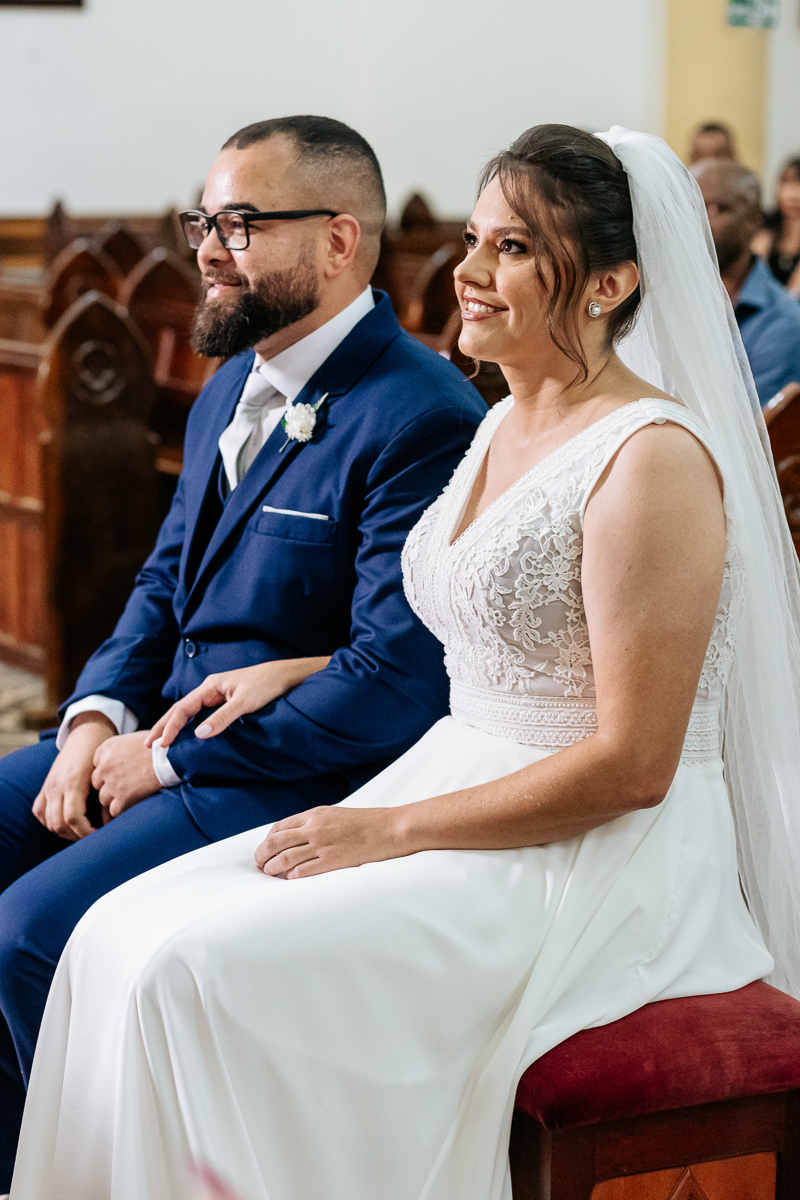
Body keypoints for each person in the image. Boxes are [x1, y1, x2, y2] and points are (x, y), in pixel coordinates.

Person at [11, 124, 800, 1200]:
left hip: (591, 853)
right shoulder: (501, 424)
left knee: (186, 972)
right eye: (473, 239)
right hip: (453, 776)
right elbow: (474, 636)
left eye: (513, 248)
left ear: (610, 283)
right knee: (114, 936)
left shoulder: (649, 459)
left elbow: (634, 765)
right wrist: (296, 670)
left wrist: (384, 830)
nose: (467, 273)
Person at [0, 115, 486, 1189]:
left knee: (29, 932)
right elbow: (162, 584)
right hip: (158, 733)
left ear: (339, 241)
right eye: (203, 222)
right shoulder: (230, 383)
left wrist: (167, 759)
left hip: (279, 771)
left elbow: (392, 682)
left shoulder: (420, 417)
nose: (209, 250)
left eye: (241, 224)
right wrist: (92, 721)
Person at [692, 158, 800, 404]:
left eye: (716, 208)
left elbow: (756, 422)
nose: (699, 220)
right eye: (690, 206)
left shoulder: (782, 322)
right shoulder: (661, 298)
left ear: (754, 220)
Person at [756, 157, 800, 293]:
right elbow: (754, 277)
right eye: (787, 182)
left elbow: (795, 293)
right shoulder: (763, 226)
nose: (793, 193)